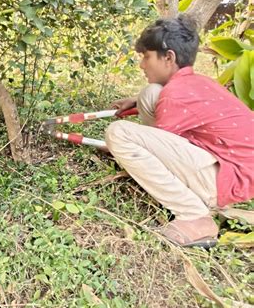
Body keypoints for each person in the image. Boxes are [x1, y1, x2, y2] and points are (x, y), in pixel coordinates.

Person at [105, 15, 254, 248]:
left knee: (119, 133)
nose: (142, 65)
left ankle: (195, 216)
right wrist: (135, 101)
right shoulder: (197, 83)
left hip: (225, 179)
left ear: (169, 57)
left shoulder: (175, 96)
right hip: (235, 171)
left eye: (146, 57)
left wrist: (117, 149)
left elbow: (161, 145)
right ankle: (198, 198)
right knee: (149, 93)